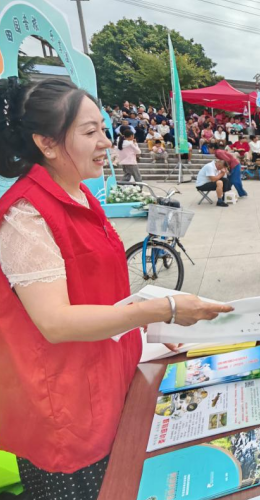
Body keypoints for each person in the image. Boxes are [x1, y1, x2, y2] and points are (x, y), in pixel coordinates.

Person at [0, 78, 232, 500]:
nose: (106, 142)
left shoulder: (80, 194)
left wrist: (150, 332)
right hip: (68, 410)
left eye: (103, 129)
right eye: (90, 132)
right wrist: (162, 309)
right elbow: (54, 322)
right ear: (46, 143)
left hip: (109, 380)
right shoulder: (26, 215)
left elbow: (101, 291)